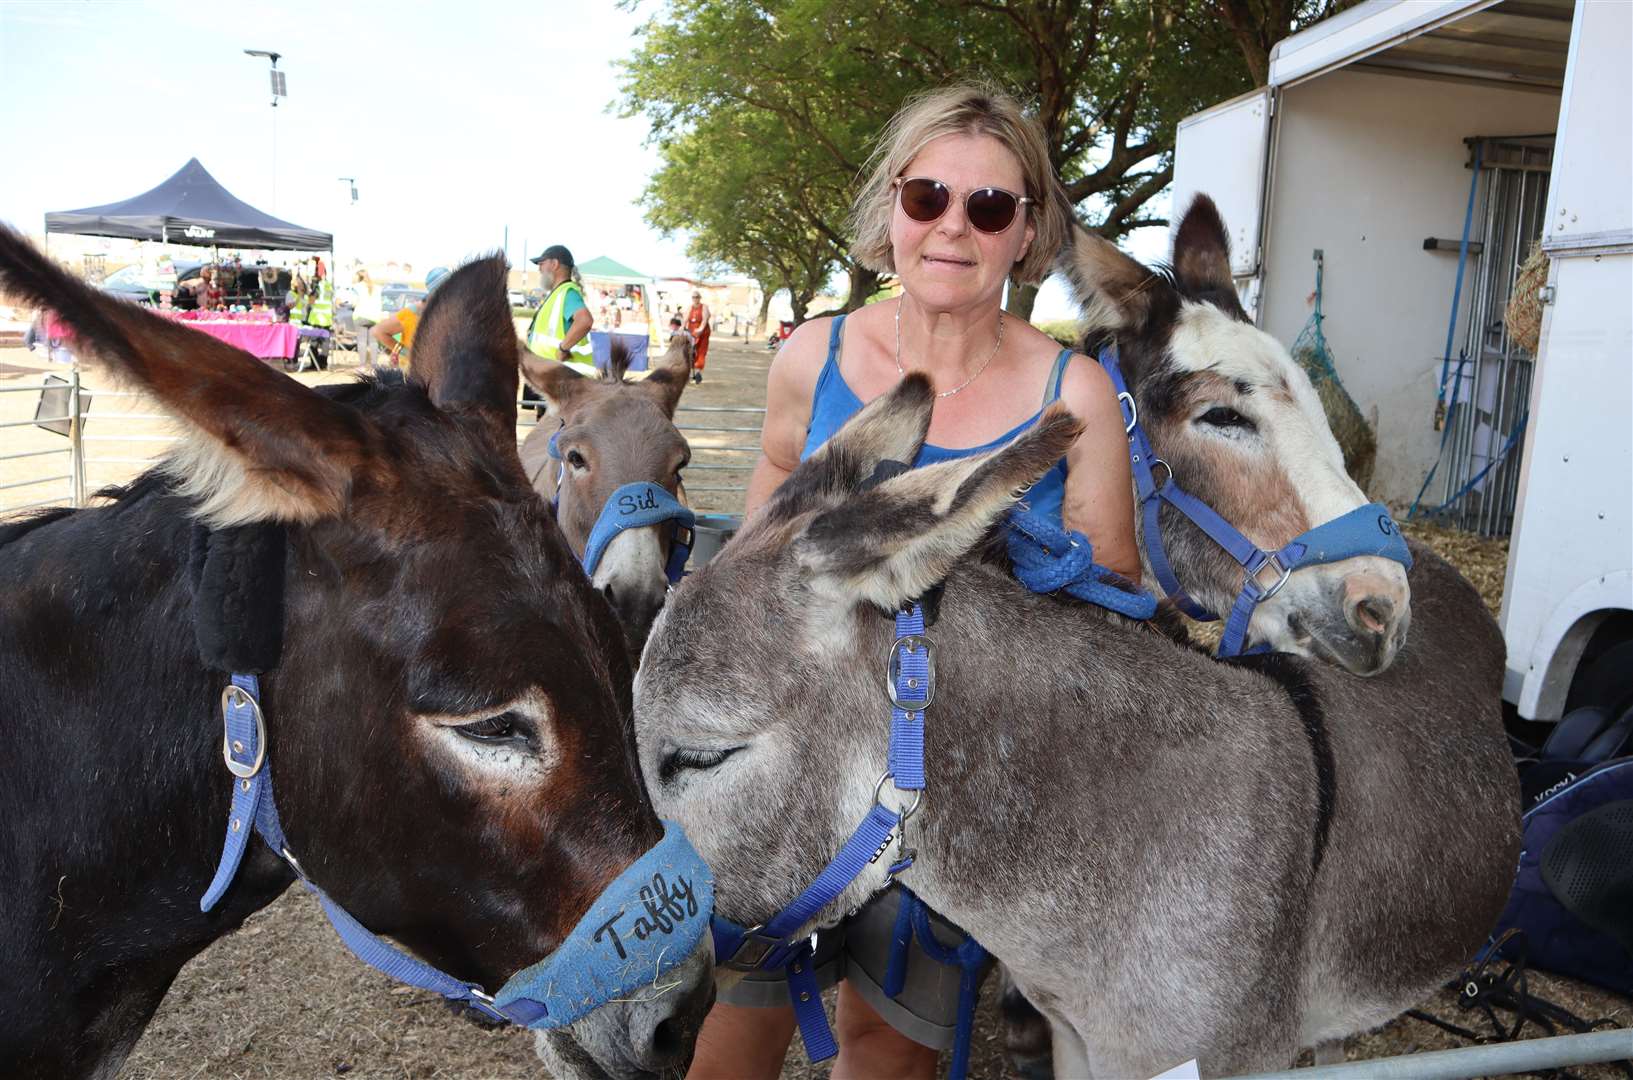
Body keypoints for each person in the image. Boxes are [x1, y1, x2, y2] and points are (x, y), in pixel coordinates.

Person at [695, 83, 1139, 1080]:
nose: (951, 228)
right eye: (927, 196)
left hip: (947, 790)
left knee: (885, 1054)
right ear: (889, 209)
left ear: (1025, 235)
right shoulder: (813, 357)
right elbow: (745, 567)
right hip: (783, 774)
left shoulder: (1076, 394)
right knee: (726, 1042)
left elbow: (1111, 604)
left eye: (988, 208)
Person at [524, 244, 593, 367]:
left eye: (541, 263)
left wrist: (562, 349)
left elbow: (585, 320)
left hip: (558, 377)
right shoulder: (558, 293)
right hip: (546, 374)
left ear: (555, 264)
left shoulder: (567, 293)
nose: (539, 269)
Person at [371, 266, 449, 371]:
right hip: (413, 372)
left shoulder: (447, 311)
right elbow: (378, 331)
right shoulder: (413, 312)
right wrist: (404, 351)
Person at [684, 289, 711, 384]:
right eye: (693, 297)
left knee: (701, 352)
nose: (695, 299)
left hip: (702, 333)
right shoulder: (690, 307)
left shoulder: (704, 307)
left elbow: (705, 320)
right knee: (689, 352)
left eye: (697, 297)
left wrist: (700, 329)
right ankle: (689, 373)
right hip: (691, 332)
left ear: (700, 298)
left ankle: (698, 372)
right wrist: (682, 328)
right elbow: (685, 319)